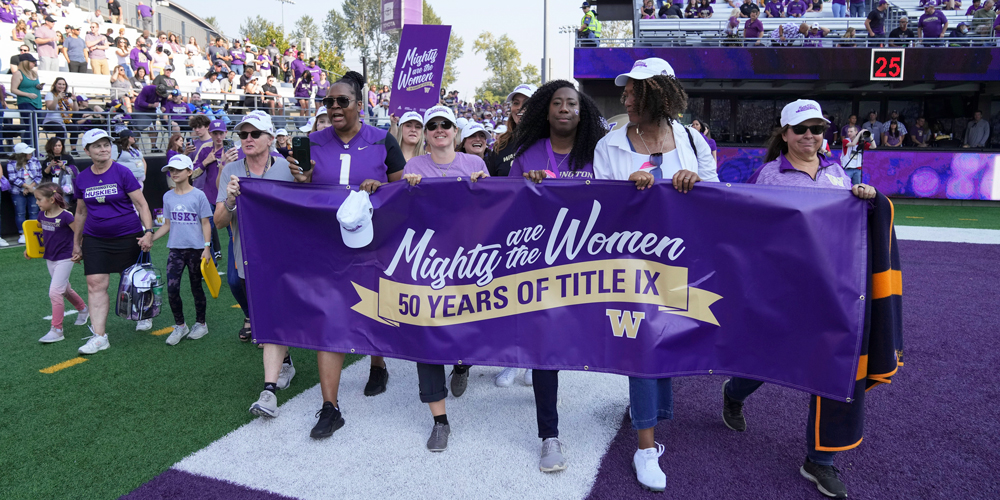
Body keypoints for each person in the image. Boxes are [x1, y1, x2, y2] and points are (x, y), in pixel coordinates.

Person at [723, 100, 876, 500]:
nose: (811, 136)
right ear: (785, 134)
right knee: (763, 362)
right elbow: (744, 226)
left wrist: (867, 198)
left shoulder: (838, 174)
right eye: (802, 129)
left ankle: (819, 461)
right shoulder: (768, 176)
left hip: (829, 291)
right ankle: (733, 394)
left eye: (818, 129)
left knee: (830, 366)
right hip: (781, 290)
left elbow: (852, 225)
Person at [593, 57, 718, 492]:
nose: (625, 97)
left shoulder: (691, 140)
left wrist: (694, 182)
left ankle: (645, 412)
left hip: (682, 260)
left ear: (658, 94)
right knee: (644, 343)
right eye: (625, 90)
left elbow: (716, 197)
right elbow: (597, 210)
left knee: (663, 341)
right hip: (629, 265)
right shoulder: (609, 145)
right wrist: (625, 195)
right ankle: (646, 445)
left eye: (634, 91)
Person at [286, 71, 405, 437]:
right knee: (328, 318)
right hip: (324, 245)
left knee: (373, 306)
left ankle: (378, 364)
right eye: (328, 102)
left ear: (359, 104)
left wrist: (380, 187)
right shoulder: (312, 142)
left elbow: (401, 193)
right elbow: (299, 193)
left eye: (342, 101)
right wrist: (301, 181)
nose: (334, 108)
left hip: (372, 241)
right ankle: (330, 407)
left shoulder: (384, 141)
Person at [396, 105, 489, 452]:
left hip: (468, 261)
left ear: (456, 131)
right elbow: (405, 212)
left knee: (467, 324)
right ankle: (440, 421)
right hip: (428, 263)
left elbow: (493, 213)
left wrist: (484, 187)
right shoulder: (414, 166)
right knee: (427, 335)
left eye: (445, 124)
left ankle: (463, 363)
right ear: (425, 133)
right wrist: (408, 190)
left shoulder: (475, 164)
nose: (438, 129)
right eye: (432, 125)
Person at [214, 113, 298, 418]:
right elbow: (219, 221)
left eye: (255, 133)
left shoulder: (289, 169)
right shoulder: (231, 171)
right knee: (269, 313)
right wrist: (231, 199)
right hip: (248, 254)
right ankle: (285, 364)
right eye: (243, 134)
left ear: (270, 138)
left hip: (286, 254)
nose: (247, 139)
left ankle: (269, 390)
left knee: (276, 313)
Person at [71, 129, 154, 354]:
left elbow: (142, 205)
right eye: (97, 146)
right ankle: (99, 336)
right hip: (95, 239)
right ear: (87, 151)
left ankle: (143, 314)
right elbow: (80, 212)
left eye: (106, 144)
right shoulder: (82, 177)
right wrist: (76, 242)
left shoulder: (122, 172)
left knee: (135, 281)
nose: (104, 149)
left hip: (128, 236)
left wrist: (148, 232)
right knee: (96, 284)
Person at [150, 154, 212, 346]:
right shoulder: (167, 196)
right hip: (175, 250)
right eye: (171, 170)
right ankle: (180, 325)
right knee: (172, 288)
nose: (174, 173)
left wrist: (207, 247)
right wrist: (150, 237)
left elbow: (205, 223)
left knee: (196, 287)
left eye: (178, 170)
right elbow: (167, 225)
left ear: (189, 172)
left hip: (196, 250)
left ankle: (201, 324)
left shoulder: (199, 195)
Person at [27, 181, 89, 343]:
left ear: (52, 200)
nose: (36, 202)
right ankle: (83, 309)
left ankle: (57, 330)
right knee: (65, 289)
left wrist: (80, 251)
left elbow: (80, 234)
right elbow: (38, 233)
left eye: (39, 199)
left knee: (55, 292)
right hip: (50, 258)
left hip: (65, 258)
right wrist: (30, 249)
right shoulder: (42, 215)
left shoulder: (66, 216)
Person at [488, 83, 537, 177]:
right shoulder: (501, 145)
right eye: (516, 103)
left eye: (527, 102)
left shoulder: (550, 142)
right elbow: (492, 185)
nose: (520, 107)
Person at [7, 142, 42, 243]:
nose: (30, 153)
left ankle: (33, 233)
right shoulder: (11, 163)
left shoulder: (35, 160)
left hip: (33, 190)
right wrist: (26, 187)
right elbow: (13, 178)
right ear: (21, 154)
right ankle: (22, 234)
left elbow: (39, 175)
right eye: (28, 152)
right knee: (20, 213)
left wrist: (30, 187)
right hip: (17, 191)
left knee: (34, 211)